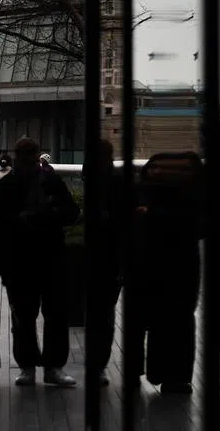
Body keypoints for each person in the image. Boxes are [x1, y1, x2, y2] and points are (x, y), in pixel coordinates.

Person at [0, 137, 80, 388]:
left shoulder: (4, 186)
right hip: (48, 256)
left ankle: (29, 367)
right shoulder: (51, 181)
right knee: (52, 315)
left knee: (25, 317)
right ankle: (52, 368)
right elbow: (72, 213)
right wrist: (50, 216)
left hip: (22, 259)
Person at [129, 151, 205, 394]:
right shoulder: (192, 195)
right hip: (181, 264)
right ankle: (175, 376)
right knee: (178, 321)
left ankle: (144, 372)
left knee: (146, 319)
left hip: (146, 261)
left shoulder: (141, 193)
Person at [85, 139, 132, 387]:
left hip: (97, 258)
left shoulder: (95, 183)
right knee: (104, 315)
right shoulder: (118, 183)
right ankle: (99, 365)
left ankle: (96, 364)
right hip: (109, 259)